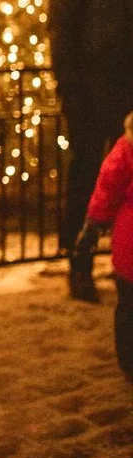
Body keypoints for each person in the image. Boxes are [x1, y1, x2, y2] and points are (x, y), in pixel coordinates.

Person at [48, 0, 133, 302]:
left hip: (130, 97)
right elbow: (62, 34)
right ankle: (79, 267)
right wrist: (72, 93)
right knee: (86, 181)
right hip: (91, 95)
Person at [75, 110, 133, 379]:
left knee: (128, 308)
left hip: (128, 246)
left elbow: (107, 190)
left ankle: (129, 361)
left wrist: (93, 226)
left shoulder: (126, 147)